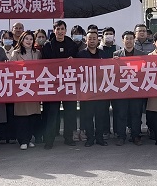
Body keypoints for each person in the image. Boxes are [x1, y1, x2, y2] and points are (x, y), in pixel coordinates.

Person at [41, 20, 79, 149]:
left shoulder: (72, 45)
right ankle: (49, 140)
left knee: (70, 112)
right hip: (53, 83)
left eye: (62, 29)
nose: (60, 31)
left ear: (66, 30)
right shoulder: (48, 46)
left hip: (69, 83)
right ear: (54, 31)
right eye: (58, 29)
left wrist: (73, 61)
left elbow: (78, 63)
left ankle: (68, 138)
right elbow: (44, 64)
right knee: (52, 113)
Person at [113, 31, 146, 145]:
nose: (129, 41)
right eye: (127, 38)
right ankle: (121, 136)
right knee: (121, 114)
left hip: (136, 89)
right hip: (122, 90)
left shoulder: (141, 55)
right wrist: (114, 62)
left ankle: (136, 136)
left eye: (131, 38)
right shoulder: (116, 54)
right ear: (123, 40)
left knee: (136, 114)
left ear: (134, 40)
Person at [9, 31, 41, 149]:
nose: (29, 41)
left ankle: (29, 138)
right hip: (21, 87)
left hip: (33, 87)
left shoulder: (37, 53)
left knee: (32, 116)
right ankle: (22, 140)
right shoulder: (15, 53)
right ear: (21, 40)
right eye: (26, 39)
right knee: (22, 116)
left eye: (31, 39)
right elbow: (11, 69)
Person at [77, 30, 109, 147]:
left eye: (94, 38)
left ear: (98, 40)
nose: (92, 41)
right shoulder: (80, 55)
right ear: (86, 40)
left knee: (100, 116)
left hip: (100, 90)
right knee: (88, 116)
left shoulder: (103, 54)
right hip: (87, 91)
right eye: (89, 39)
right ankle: (90, 138)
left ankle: (99, 138)